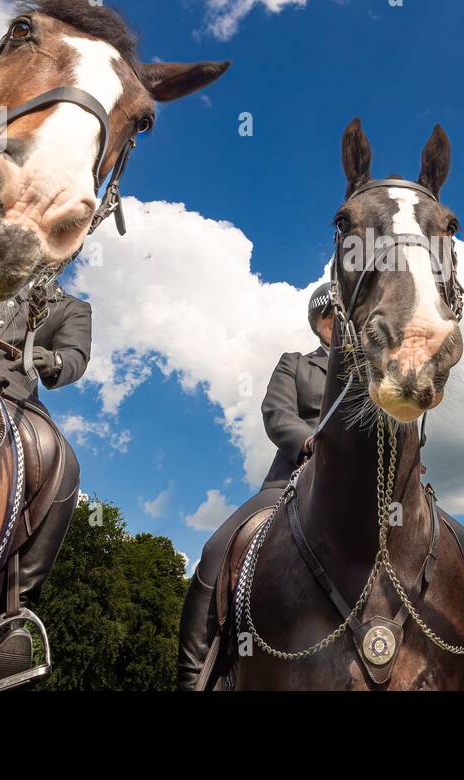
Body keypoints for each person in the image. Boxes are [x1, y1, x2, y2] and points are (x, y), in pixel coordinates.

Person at [176, 282, 335, 689]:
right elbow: (276, 413)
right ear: (317, 324)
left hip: (368, 485)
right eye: (327, 317)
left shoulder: (375, 371)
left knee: (459, 540)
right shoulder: (296, 365)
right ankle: (193, 678)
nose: (336, 323)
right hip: (293, 476)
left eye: (343, 315)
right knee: (215, 552)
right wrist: (310, 441)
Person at [0, 279, 90, 687]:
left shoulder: (72, 307)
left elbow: (74, 358)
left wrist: (53, 360)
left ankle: (11, 616)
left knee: (66, 467)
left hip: (14, 396)